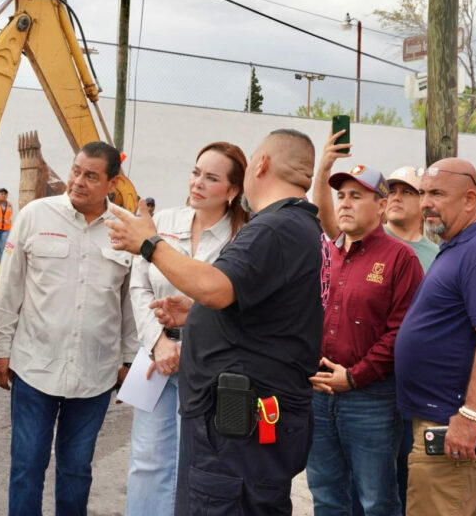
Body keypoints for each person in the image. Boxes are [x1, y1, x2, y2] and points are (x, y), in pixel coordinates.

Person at [107, 128, 325, 515]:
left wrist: (150, 243)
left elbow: (217, 287)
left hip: (239, 427)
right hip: (243, 420)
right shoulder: (297, 225)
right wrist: (198, 314)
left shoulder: (273, 227)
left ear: (261, 164)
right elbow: (260, 308)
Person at [0, 141, 137, 516]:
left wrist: (127, 359)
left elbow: (129, 304)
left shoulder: (126, 230)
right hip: (33, 367)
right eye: (75, 170)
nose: (77, 181)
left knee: (76, 471)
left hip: (96, 374)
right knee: (26, 468)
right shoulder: (35, 216)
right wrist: (0, 350)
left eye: (91, 176)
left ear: (112, 183)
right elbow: (9, 289)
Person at [395, 158, 476, 516]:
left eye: (437, 193)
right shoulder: (459, 246)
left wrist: (470, 416)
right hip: (443, 417)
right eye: (423, 193)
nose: (425, 203)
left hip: (457, 423)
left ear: (470, 200)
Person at [125, 142, 248, 516]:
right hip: (157, 361)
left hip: (211, 365)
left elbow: (234, 303)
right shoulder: (162, 223)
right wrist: (159, 343)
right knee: (147, 463)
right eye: (196, 172)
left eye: (211, 178)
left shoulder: (243, 237)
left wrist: (191, 337)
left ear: (232, 191)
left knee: (198, 465)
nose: (197, 183)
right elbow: (138, 286)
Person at [310, 145, 423, 516]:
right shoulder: (327, 254)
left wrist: (355, 378)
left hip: (371, 399)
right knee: (326, 493)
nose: (344, 203)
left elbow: (401, 333)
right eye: (340, 195)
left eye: (356, 196)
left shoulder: (400, 258)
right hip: (319, 392)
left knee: (375, 499)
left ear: (380, 205)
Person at [385, 166, 439, 273]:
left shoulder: (436, 256)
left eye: (406, 192)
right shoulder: (365, 238)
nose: (396, 198)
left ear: (423, 202)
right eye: (391, 192)